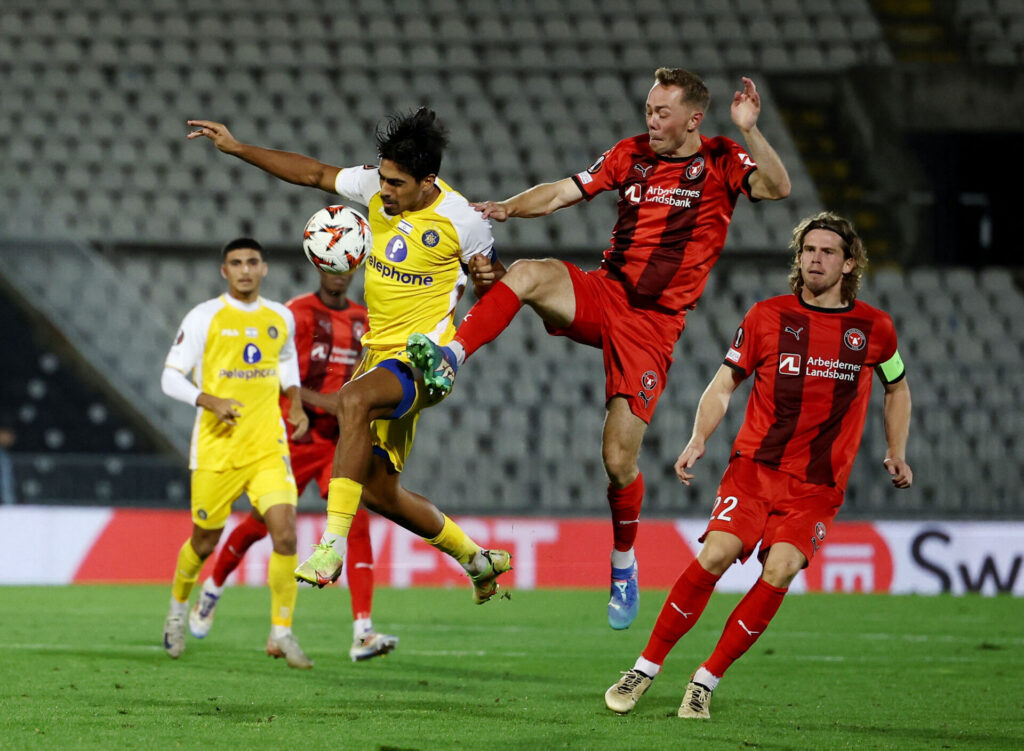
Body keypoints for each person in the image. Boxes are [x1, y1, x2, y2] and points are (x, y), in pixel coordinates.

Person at [406, 69, 791, 630]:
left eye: (662, 113)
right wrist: (510, 207)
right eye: (648, 109)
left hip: (653, 327)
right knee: (531, 273)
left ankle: (624, 562)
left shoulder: (723, 159)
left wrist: (752, 131)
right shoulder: (630, 153)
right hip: (606, 291)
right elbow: (565, 191)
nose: (651, 121)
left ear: (693, 119)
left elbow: (778, 187)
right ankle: (452, 356)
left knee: (617, 461)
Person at [186, 108, 512, 607]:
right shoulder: (376, 191)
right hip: (378, 356)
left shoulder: (462, 221)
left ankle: (330, 548)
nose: (384, 191)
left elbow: (499, 288)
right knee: (381, 493)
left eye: (397, 184)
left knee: (353, 401)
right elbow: (314, 173)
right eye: (382, 179)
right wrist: (239, 147)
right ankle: (477, 560)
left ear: (429, 182)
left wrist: (491, 281)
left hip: (426, 362)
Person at [604, 211, 913, 718]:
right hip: (754, 469)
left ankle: (703, 682)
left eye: (827, 251)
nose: (815, 258)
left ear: (849, 262)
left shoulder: (875, 330)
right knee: (717, 554)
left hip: (817, 485)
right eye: (808, 250)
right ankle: (645, 667)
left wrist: (895, 449)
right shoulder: (767, 316)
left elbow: (896, 386)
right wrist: (699, 437)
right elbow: (725, 383)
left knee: (783, 567)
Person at [189, 269, 399, 662]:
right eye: (330, 266)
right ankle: (213, 588)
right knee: (258, 524)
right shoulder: (296, 314)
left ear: (354, 268)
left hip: (338, 442)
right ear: (319, 266)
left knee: (355, 523)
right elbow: (275, 374)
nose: (337, 274)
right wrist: (327, 404)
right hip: (292, 435)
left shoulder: (364, 322)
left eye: (344, 267)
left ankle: (363, 632)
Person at [160, 238, 313, 668]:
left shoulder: (280, 317)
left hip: (267, 446)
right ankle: (176, 610)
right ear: (224, 271)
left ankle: (281, 631)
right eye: (236, 263)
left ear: (264, 268)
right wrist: (210, 400)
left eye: (252, 262)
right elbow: (170, 378)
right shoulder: (205, 316)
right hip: (216, 448)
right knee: (204, 540)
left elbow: (285, 363)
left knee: (285, 533)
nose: (245, 270)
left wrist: (296, 400)